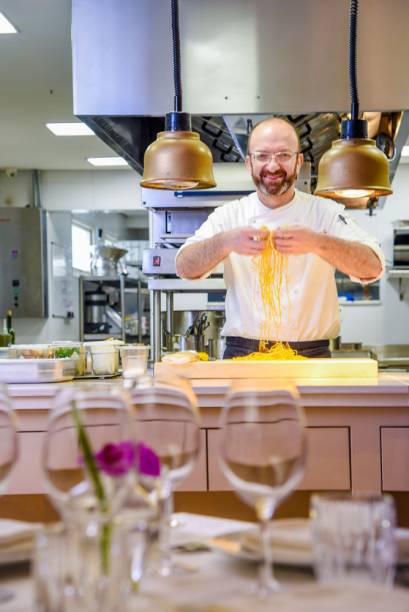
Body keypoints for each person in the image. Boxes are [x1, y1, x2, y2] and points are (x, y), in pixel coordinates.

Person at [175, 117, 384, 358]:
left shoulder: (323, 212)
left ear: (298, 162)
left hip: (311, 355)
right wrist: (226, 242)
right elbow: (184, 267)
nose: (272, 166)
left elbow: (373, 266)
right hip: (244, 354)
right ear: (249, 163)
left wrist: (317, 242)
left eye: (284, 155)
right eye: (262, 156)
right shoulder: (230, 215)